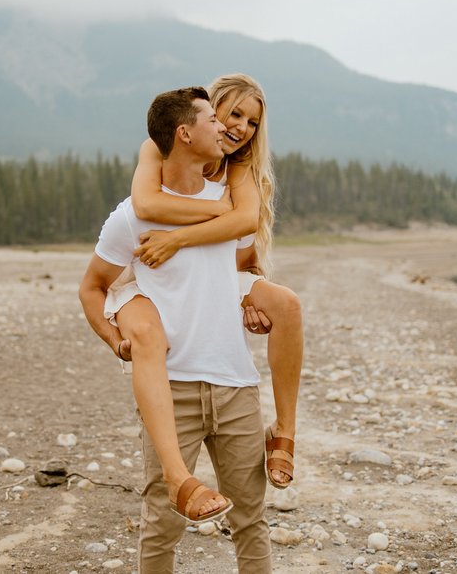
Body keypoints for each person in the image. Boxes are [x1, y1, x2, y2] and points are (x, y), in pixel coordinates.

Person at [79, 87, 271, 573]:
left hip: (235, 382)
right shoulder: (133, 214)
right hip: (172, 389)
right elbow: (92, 287)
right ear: (184, 134)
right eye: (214, 118)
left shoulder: (233, 201)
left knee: (250, 521)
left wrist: (253, 302)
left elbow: (245, 270)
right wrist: (114, 339)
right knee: (162, 524)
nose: (227, 128)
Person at [114, 74, 302, 496]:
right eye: (234, 113)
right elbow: (146, 203)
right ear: (209, 112)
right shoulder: (157, 149)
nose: (240, 127)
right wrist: (214, 210)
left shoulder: (241, 168)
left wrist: (177, 237)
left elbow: (245, 223)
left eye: (252, 123)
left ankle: (285, 429)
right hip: (174, 275)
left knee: (286, 306)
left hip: (227, 274)